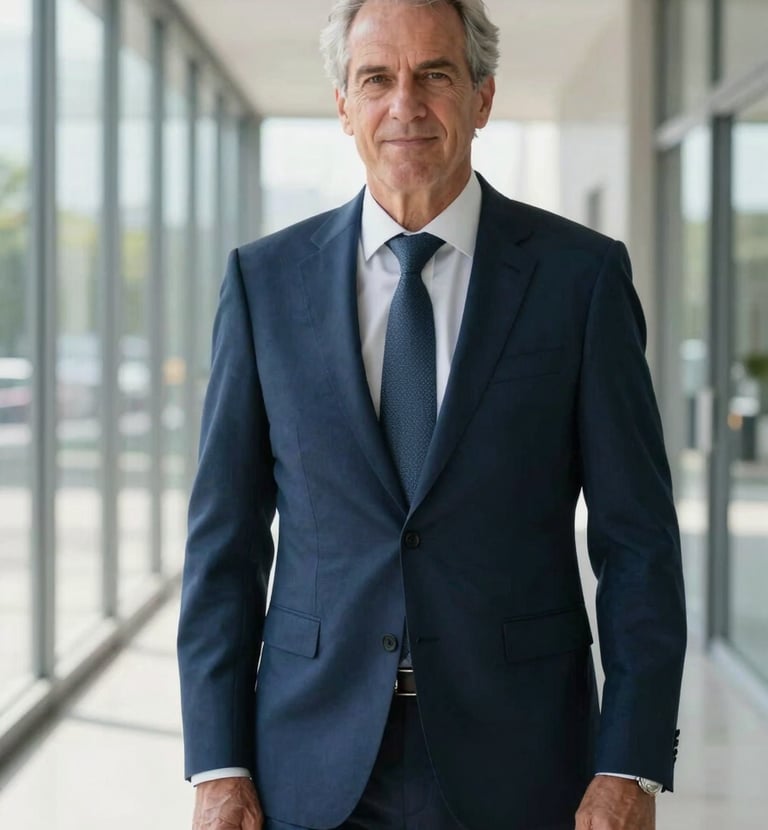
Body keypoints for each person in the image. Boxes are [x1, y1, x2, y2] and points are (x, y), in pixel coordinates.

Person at [177, 1, 686, 828]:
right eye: (376, 78)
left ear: (482, 97)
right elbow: (225, 543)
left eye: (435, 75)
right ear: (343, 103)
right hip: (307, 757)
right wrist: (218, 761)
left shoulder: (579, 280)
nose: (404, 105)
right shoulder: (264, 285)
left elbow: (638, 546)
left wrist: (630, 764)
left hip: (525, 756)